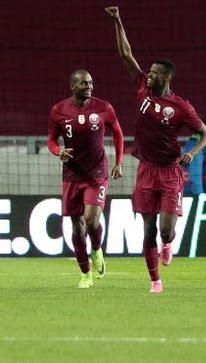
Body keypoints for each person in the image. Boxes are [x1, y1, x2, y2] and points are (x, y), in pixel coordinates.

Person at [105, 6, 206, 293]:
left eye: (154, 74)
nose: (148, 75)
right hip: (145, 169)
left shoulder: (181, 107)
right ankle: (155, 280)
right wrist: (118, 20)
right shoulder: (143, 88)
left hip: (169, 172)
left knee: (165, 230)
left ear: (166, 78)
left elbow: (205, 132)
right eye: (149, 72)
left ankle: (169, 244)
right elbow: (125, 54)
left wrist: (194, 151)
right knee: (148, 228)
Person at [48, 69, 124, 288]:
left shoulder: (103, 107)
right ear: (73, 86)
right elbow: (51, 140)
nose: (89, 86)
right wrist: (58, 151)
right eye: (83, 83)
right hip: (72, 174)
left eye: (90, 82)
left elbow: (117, 132)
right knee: (77, 227)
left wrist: (119, 161)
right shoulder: (59, 110)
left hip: (97, 172)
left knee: (91, 220)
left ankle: (97, 249)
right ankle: (85, 274)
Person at [183, 116, 206, 195]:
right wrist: (198, 196)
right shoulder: (195, 148)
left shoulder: (190, 146)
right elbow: (195, 176)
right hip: (194, 195)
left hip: (189, 193)